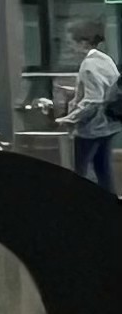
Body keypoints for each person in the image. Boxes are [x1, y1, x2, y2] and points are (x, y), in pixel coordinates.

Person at [58, 17, 117, 192]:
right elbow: (105, 89)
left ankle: (82, 203)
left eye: (71, 42)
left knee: (80, 172)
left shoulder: (88, 65)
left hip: (90, 128)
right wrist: (76, 92)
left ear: (83, 43)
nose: (69, 47)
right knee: (103, 170)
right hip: (108, 125)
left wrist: (69, 118)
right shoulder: (105, 60)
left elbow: (93, 101)